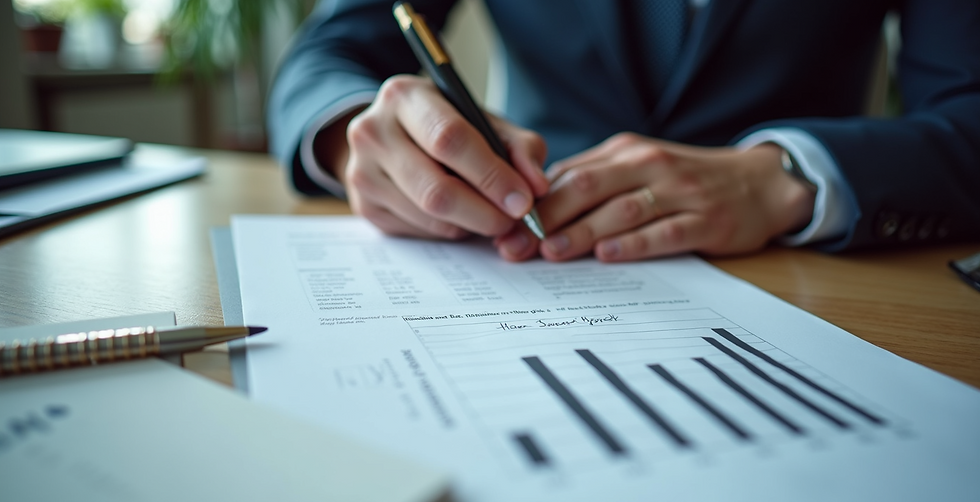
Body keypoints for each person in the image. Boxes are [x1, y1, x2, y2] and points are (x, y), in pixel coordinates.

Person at [268, 0, 980, 263]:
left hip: (799, 270)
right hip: (523, 245)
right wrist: (352, 133)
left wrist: (787, 175)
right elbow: (327, 55)